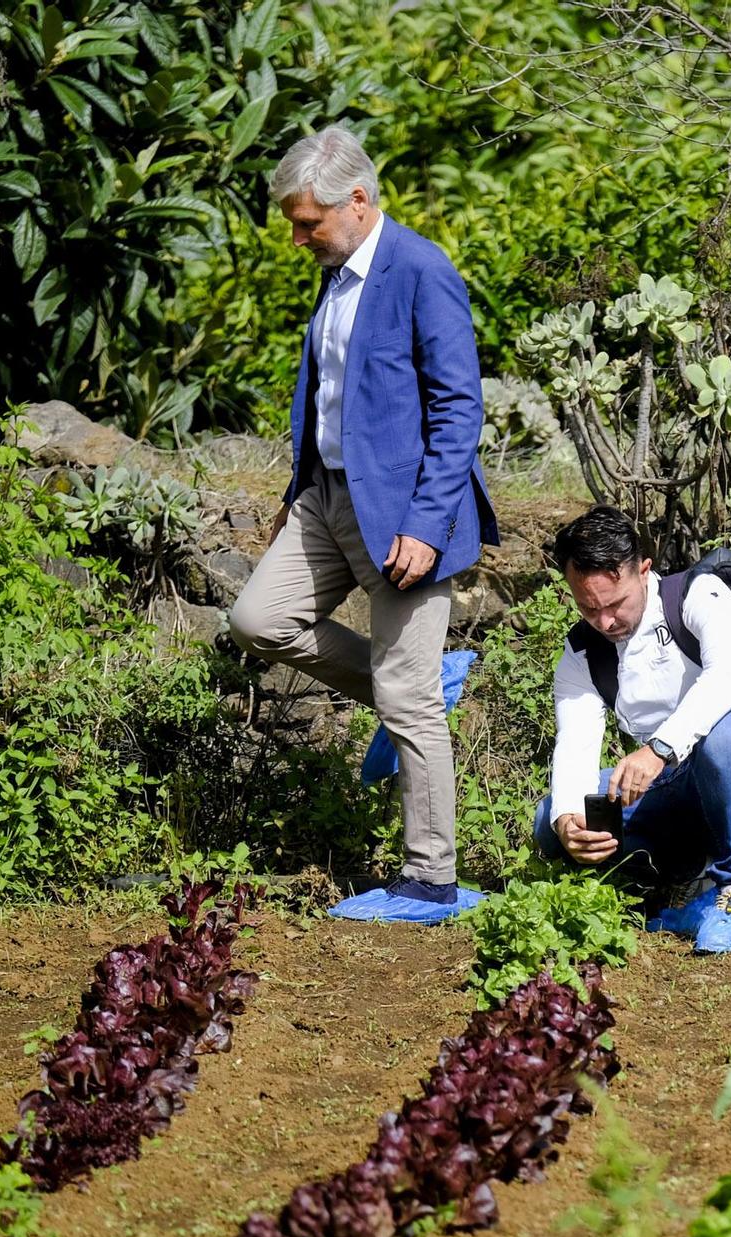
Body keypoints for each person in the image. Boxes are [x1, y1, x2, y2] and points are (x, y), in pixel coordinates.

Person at [226, 126, 498, 923]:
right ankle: (413, 683)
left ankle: (431, 880)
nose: (298, 236)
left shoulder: (420, 268)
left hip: (408, 512)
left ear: (357, 200)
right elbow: (332, 395)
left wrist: (424, 521)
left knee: (407, 700)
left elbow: (459, 408)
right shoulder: (337, 272)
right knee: (257, 620)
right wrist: (296, 486)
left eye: (307, 221)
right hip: (328, 497)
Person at [535, 506, 731, 954]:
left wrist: (658, 749)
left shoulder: (699, 596)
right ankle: (679, 881)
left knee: (721, 733)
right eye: (589, 607)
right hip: (680, 792)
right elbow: (575, 744)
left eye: (615, 603)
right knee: (551, 818)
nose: (605, 621)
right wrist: (569, 819)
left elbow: (727, 676)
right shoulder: (583, 652)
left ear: (643, 571)